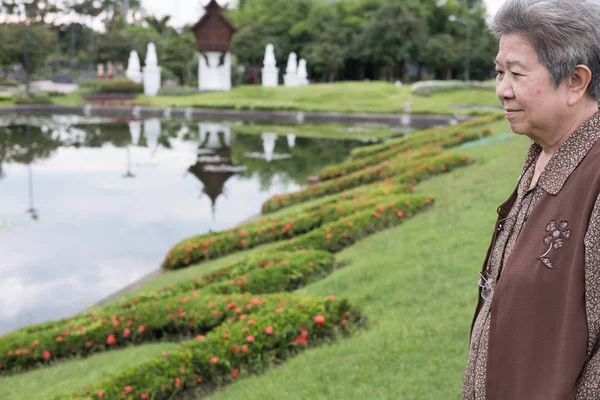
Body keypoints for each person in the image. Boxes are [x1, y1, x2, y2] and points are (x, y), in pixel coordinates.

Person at [461, 0, 600, 399]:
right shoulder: (543, 154)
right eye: (499, 72)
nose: (501, 89)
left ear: (575, 81)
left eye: (517, 73)